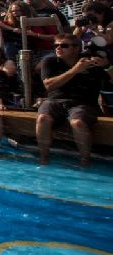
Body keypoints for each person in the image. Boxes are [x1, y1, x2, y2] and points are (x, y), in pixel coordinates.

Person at [35, 33, 110, 167]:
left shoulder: (90, 62)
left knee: (78, 123)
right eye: (56, 45)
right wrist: (75, 70)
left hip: (83, 104)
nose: (58, 48)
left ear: (76, 48)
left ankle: (84, 162)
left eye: (64, 45)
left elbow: (109, 81)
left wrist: (106, 66)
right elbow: (49, 85)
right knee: (43, 118)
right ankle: (44, 159)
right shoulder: (50, 61)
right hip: (55, 101)